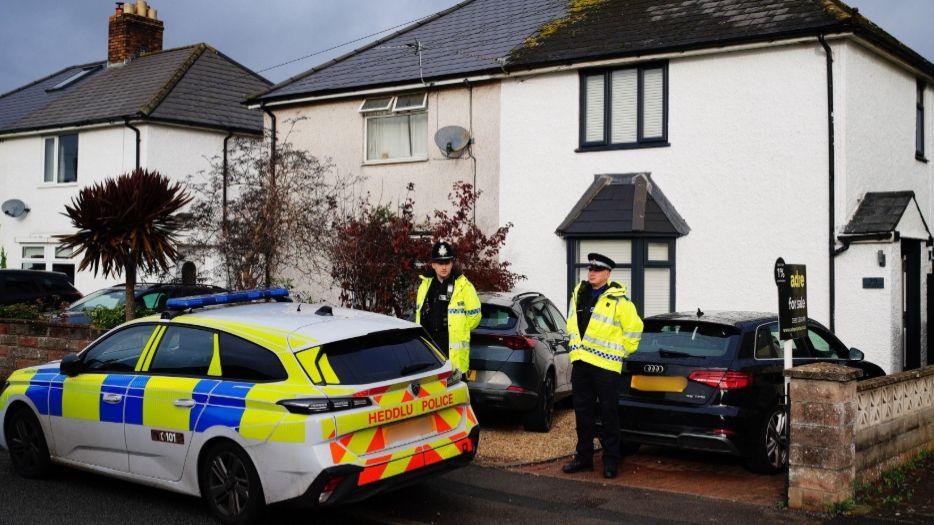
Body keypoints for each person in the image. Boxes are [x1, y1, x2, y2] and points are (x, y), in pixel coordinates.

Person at [562, 252, 643, 479]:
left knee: (609, 414)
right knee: (582, 413)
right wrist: (573, 348)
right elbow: (571, 323)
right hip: (581, 363)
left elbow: (634, 331)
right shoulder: (579, 293)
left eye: (597, 271)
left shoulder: (619, 301)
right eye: (590, 270)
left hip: (606, 367)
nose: (592, 273)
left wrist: (620, 352)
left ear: (607, 274)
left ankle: (610, 461)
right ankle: (584, 458)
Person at [415, 241, 482, 375]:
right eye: (440, 263)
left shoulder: (464, 286)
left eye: (447, 263)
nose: (444, 267)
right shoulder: (424, 285)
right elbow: (419, 315)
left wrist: (459, 329)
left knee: (455, 393)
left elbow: (475, 317)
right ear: (433, 264)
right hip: (430, 349)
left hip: (453, 352)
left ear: (452, 263)